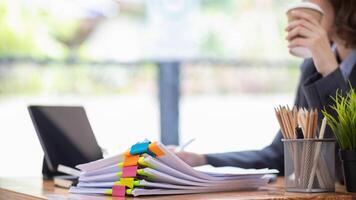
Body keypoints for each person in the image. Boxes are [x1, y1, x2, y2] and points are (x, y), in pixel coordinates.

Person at [175, 0, 356, 182]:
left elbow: (349, 154)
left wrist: (328, 67)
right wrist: (201, 160)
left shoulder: (322, 65)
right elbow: (281, 156)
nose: (303, 2)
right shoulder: (312, 67)